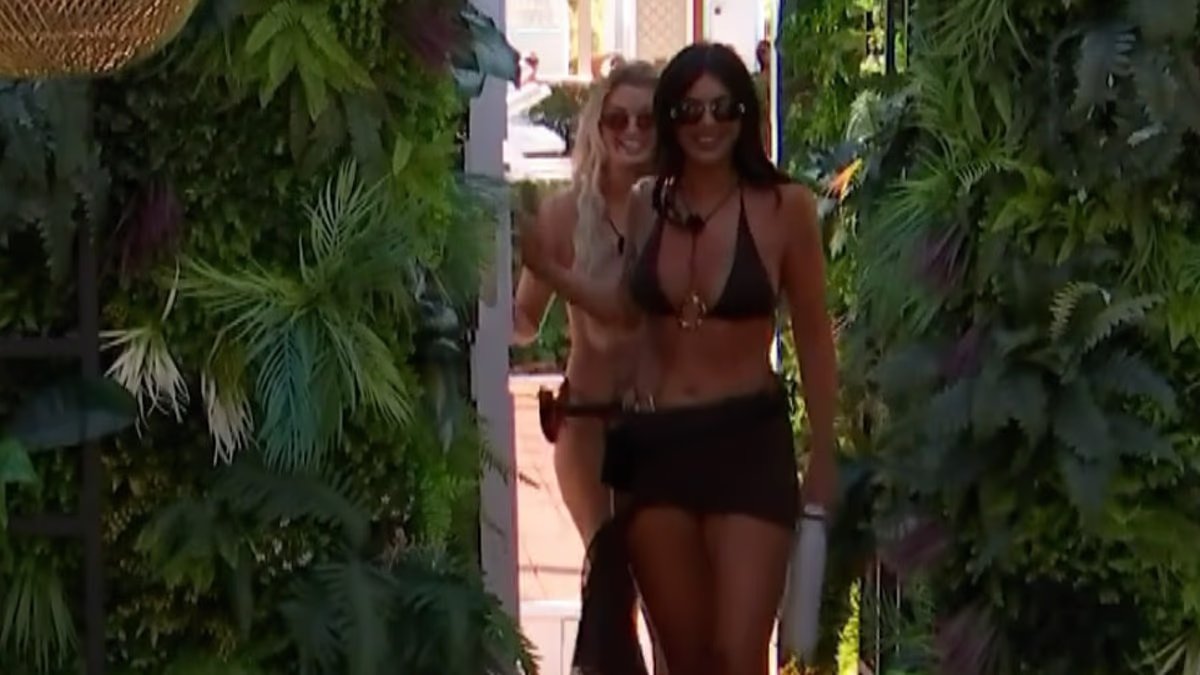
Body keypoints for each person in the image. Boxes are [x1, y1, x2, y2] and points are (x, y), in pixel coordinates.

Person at [520, 42, 839, 675]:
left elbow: (812, 334)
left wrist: (824, 452)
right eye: (690, 110)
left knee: (739, 654)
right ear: (673, 119)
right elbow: (624, 309)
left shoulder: (786, 208)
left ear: (746, 115)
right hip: (659, 447)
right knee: (685, 658)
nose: (707, 123)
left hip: (748, 442)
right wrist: (546, 269)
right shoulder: (649, 202)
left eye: (723, 108)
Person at [513, 60, 659, 553]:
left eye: (646, 119)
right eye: (617, 119)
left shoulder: (682, 210)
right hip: (587, 421)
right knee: (605, 570)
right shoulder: (564, 214)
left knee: (665, 577)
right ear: (598, 127)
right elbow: (525, 319)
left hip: (664, 421)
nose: (632, 130)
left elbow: (632, 311)